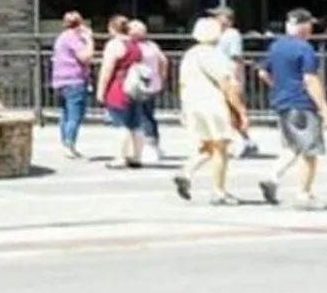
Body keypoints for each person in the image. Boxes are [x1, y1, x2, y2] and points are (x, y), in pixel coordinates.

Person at [259, 8, 327, 208]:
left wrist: (278, 86)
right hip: (302, 103)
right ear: (304, 27)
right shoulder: (304, 48)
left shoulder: (276, 46)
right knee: (310, 150)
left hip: (282, 102)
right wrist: (324, 107)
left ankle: (272, 178)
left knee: (293, 146)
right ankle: (304, 194)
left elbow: (262, 72)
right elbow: (310, 79)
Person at [174, 17, 246, 204]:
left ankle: (186, 171)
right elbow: (225, 83)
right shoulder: (213, 55)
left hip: (192, 103)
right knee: (221, 147)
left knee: (207, 145)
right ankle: (218, 191)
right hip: (213, 104)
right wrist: (239, 109)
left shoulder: (189, 55)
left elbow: (181, 83)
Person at [95, 17, 145, 169]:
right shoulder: (135, 44)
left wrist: (101, 91)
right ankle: (137, 156)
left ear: (112, 28)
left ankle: (120, 157)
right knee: (135, 124)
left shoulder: (114, 45)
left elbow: (107, 69)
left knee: (120, 123)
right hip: (135, 86)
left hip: (119, 85)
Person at [210, 8, 259, 157]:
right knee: (225, 110)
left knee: (233, 110)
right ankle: (243, 141)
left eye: (218, 16)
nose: (215, 19)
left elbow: (236, 58)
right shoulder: (216, 35)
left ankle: (243, 141)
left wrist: (237, 79)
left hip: (229, 75)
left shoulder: (232, 35)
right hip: (219, 75)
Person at [50, 12, 96, 159]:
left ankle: (66, 142)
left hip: (60, 81)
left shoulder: (61, 37)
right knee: (75, 115)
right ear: (80, 24)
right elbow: (85, 56)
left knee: (65, 113)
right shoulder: (73, 38)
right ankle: (69, 143)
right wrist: (90, 40)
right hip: (74, 80)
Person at [127, 19, 168, 164]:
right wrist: (162, 78)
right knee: (149, 115)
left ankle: (147, 145)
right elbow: (164, 61)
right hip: (153, 84)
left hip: (139, 85)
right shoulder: (152, 45)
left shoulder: (134, 47)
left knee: (141, 115)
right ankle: (154, 143)